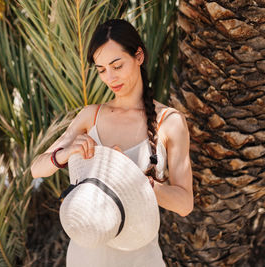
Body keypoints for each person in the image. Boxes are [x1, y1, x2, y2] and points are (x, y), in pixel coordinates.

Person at [31, 19, 193, 267]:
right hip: (84, 258)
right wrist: (63, 154)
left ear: (139, 56)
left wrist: (138, 181)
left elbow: (184, 204)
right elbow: (36, 169)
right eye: (102, 69)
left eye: (117, 65)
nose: (110, 77)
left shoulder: (169, 122)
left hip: (140, 260)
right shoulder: (90, 116)